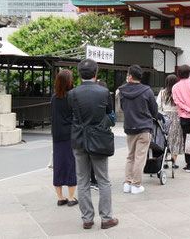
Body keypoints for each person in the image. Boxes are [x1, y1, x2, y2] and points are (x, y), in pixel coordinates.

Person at [68, 59, 118, 230]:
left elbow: (71, 114)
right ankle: (106, 218)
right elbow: (108, 112)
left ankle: (87, 218)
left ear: (79, 74)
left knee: (82, 180)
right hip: (98, 139)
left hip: (79, 139)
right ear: (96, 73)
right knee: (103, 180)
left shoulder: (72, 93)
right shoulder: (103, 93)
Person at [119, 65, 157, 195]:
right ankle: (135, 184)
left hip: (130, 127)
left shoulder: (122, 91)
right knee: (140, 157)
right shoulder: (147, 91)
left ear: (130, 76)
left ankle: (127, 183)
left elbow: (123, 107)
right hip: (144, 127)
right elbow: (154, 110)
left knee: (130, 155)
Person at [51, 69, 78, 207]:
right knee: (70, 164)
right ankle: (72, 197)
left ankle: (60, 197)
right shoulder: (72, 97)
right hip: (69, 135)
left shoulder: (54, 97)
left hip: (56, 135)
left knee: (59, 165)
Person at [157, 74, 182, 168]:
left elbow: (158, 105)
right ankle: (174, 161)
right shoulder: (179, 92)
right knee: (176, 139)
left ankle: (165, 161)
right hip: (177, 116)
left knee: (165, 139)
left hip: (165, 117)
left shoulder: (162, 92)